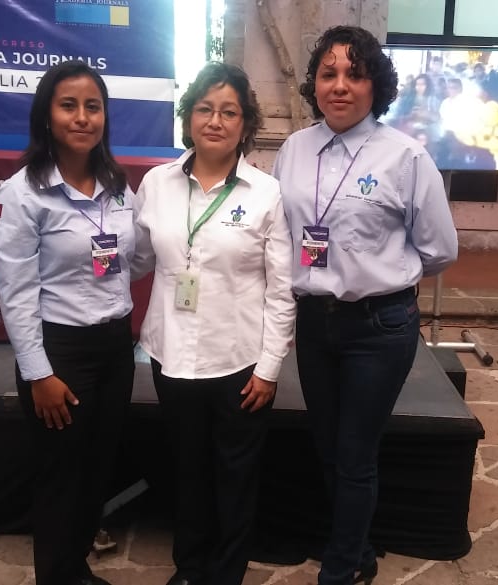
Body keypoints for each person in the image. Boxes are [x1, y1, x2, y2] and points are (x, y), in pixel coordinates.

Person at [272, 25, 458, 585]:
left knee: (355, 452)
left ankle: (341, 568)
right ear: (314, 83)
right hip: (314, 322)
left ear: (376, 84)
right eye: (328, 73)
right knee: (328, 447)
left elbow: (439, 249)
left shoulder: (406, 157)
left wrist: (381, 274)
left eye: (354, 74)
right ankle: (359, 549)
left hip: (379, 326)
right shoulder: (293, 150)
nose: (340, 86)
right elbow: (281, 233)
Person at [131, 62, 295, 585]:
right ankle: (189, 567)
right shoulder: (156, 184)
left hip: (238, 361)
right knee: (187, 469)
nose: (216, 121)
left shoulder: (266, 194)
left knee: (235, 474)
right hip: (171, 355)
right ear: (189, 118)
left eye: (229, 112)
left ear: (245, 125)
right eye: (205, 109)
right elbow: (137, 258)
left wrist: (269, 369)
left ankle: (226, 573)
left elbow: (282, 289)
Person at [0, 60, 135, 585]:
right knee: (61, 477)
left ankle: (76, 571)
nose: (82, 118)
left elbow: (134, 257)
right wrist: (39, 373)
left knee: (96, 470)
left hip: (115, 349)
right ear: (47, 116)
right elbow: (15, 290)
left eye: (93, 107)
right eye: (68, 106)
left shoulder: (117, 186)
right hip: (61, 354)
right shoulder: (23, 193)